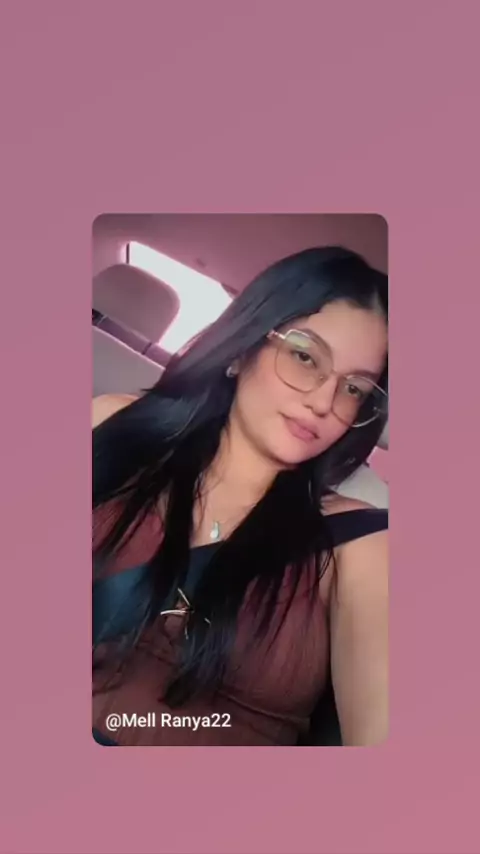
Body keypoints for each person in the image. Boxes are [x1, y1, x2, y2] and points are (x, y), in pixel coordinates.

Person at [92, 246, 388, 747]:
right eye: (305, 356)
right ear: (244, 347)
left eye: (355, 388)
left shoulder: (358, 542)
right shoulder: (114, 426)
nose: (324, 401)